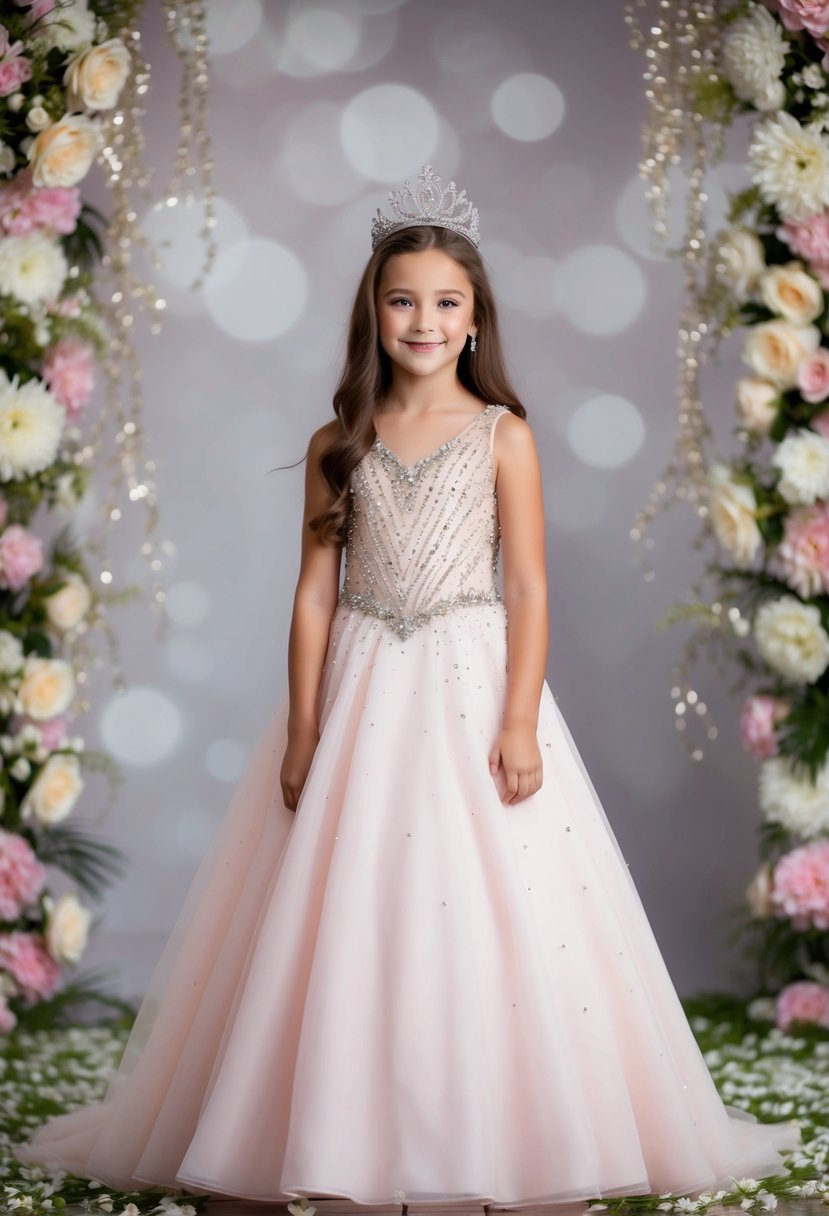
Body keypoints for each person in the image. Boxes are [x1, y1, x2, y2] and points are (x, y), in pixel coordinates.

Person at [14, 164, 802, 1215]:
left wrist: (519, 716)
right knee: (340, 907)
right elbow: (309, 595)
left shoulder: (501, 435)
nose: (421, 320)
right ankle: (329, 1126)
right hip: (360, 688)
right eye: (401, 300)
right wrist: (302, 731)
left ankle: (496, 1126)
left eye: (443, 303)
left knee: (490, 902)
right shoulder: (336, 444)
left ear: (475, 320)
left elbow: (525, 583)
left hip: (471, 683)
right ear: (372, 312)